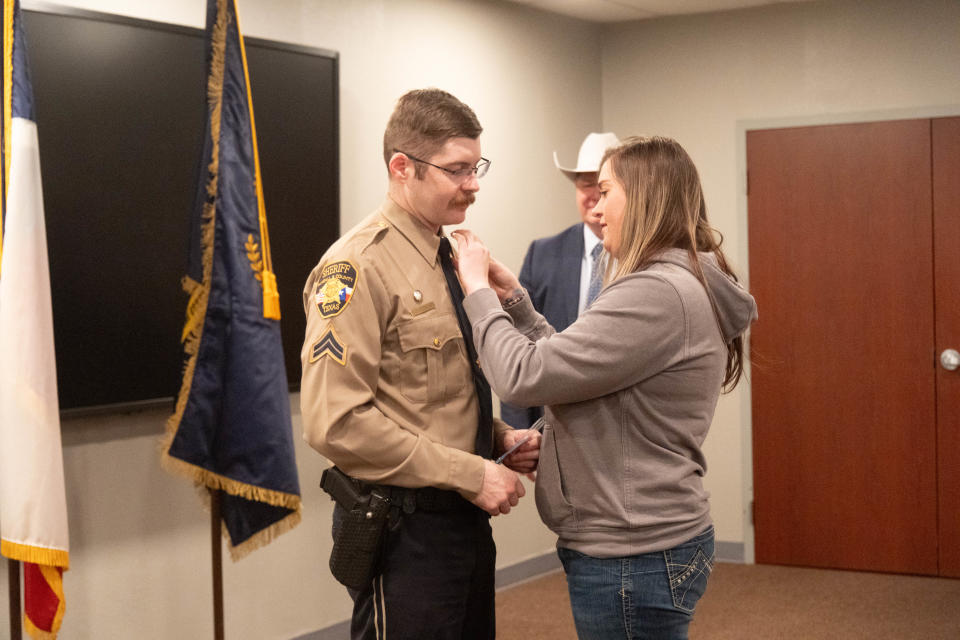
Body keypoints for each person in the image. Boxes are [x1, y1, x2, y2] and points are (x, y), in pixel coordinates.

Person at [453, 136, 757, 639]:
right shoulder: (668, 282)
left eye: (606, 190)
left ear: (641, 200)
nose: (595, 206)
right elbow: (580, 369)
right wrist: (518, 307)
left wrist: (479, 293)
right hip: (640, 541)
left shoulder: (655, 291)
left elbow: (524, 375)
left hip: (632, 554)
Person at [299, 89, 540, 640]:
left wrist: (498, 437)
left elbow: (431, 394)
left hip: (463, 519)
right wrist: (472, 471)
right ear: (402, 167)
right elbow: (334, 421)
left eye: (476, 167)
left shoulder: (445, 256)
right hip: (404, 526)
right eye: (457, 169)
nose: (473, 183)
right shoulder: (356, 266)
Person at [500, 131, 620, 429]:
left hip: (618, 429)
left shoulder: (642, 259)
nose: (593, 195)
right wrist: (520, 435)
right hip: (553, 427)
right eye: (584, 183)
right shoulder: (544, 254)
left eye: (603, 186)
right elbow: (516, 343)